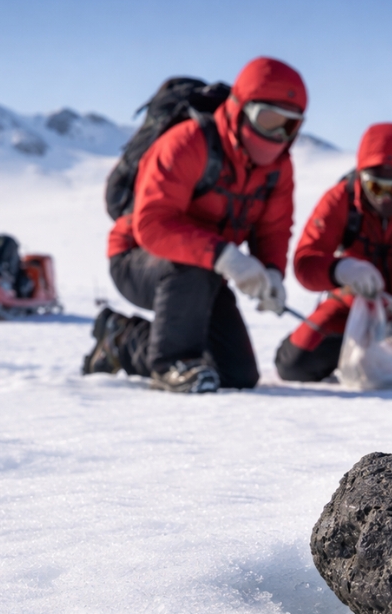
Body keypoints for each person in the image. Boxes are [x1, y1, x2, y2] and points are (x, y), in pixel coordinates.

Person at [83, 57, 307, 393]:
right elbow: (152, 223)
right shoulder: (188, 143)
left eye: (289, 126)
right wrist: (226, 257)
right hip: (138, 260)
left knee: (237, 375)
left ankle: (122, 339)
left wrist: (271, 271)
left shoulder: (279, 168)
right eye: (269, 119)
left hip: (205, 272)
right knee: (193, 269)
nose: (277, 135)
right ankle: (171, 364)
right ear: (241, 108)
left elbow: (273, 228)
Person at [275, 123, 392, 385]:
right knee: (294, 366)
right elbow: (306, 262)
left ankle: (370, 354)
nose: (386, 198)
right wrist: (340, 270)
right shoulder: (339, 199)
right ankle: (358, 352)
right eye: (375, 187)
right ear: (361, 177)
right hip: (350, 306)